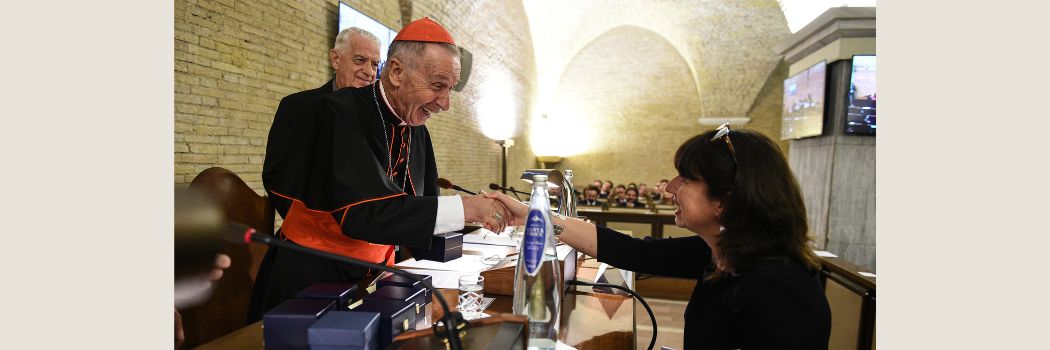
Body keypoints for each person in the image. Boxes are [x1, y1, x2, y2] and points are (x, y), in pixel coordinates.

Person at [249, 17, 510, 323]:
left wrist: (486, 244)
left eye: (450, 89)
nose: (445, 104)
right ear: (397, 71)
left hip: (380, 277)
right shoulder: (337, 111)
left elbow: (424, 209)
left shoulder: (417, 128)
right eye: (438, 86)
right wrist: (468, 209)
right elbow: (362, 213)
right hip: (315, 273)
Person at [486, 126, 831, 349]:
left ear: (724, 202)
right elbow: (634, 252)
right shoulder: (722, 252)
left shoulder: (780, 290)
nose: (669, 189)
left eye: (685, 179)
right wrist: (537, 216)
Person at [262, 27, 381, 198]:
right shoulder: (297, 107)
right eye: (360, 60)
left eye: (375, 64)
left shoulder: (381, 118)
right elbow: (277, 178)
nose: (369, 72)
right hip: (314, 220)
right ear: (336, 59)